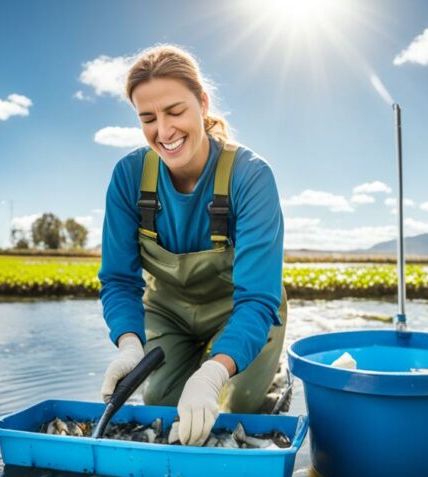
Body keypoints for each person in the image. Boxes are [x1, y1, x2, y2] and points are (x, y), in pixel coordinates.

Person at [97, 45, 286, 446]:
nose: (163, 132)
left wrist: (215, 371)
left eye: (175, 112)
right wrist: (130, 344)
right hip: (169, 312)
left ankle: (268, 377)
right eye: (147, 118)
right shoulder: (129, 177)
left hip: (241, 309)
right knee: (163, 413)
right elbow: (118, 279)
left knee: (238, 414)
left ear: (202, 102)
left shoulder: (250, 177)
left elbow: (257, 297)